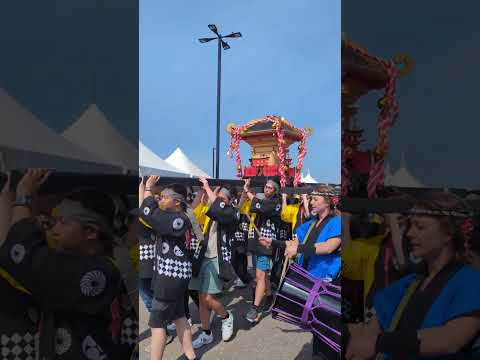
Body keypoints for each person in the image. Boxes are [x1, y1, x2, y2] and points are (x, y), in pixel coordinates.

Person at [0, 169, 136, 359]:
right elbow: (15, 253)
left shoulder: (98, 274)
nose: (54, 229)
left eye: (62, 223)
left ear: (90, 232)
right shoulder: (89, 266)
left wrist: (24, 199)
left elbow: (23, 256)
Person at [346, 191, 480, 360]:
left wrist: (379, 342)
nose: (409, 233)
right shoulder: (408, 284)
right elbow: (350, 283)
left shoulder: (471, 281)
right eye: (409, 225)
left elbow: (449, 340)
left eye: (420, 227)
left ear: (448, 233)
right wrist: (353, 328)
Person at [259, 185, 341, 358]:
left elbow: (328, 247)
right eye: (310, 199)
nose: (311, 202)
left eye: (315, 199)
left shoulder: (337, 222)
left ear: (327, 203)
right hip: (312, 281)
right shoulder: (310, 224)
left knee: (329, 327)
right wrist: (273, 242)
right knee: (318, 327)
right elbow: (295, 244)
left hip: (329, 282)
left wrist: (299, 249)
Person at [139, 176, 200, 360]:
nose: (161, 199)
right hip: (176, 278)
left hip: (169, 279)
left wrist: (149, 188)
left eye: (165, 197)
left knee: (157, 324)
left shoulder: (177, 220)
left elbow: (146, 213)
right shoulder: (179, 217)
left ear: (176, 202)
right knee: (180, 317)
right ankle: (191, 356)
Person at [190, 177, 236, 349]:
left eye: (223, 199)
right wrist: (203, 194)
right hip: (202, 256)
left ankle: (226, 317)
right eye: (218, 199)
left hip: (216, 258)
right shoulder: (212, 209)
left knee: (209, 297)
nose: (219, 202)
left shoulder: (232, 213)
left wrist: (209, 188)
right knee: (202, 299)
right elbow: (194, 216)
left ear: (230, 201)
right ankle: (206, 333)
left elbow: (220, 210)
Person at [242, 179, 282, 323]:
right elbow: (250, 207)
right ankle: (270, 296)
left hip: (267, 243)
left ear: (275, 191)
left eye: (270, 188)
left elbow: (262, 207)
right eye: (266, 187)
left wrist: (248, 191)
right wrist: (246, 193)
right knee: (262, 275)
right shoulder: (262, 200)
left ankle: (254, 308)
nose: (267, 190)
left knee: (259, 275)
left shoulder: (276, 203)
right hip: (256, 241)